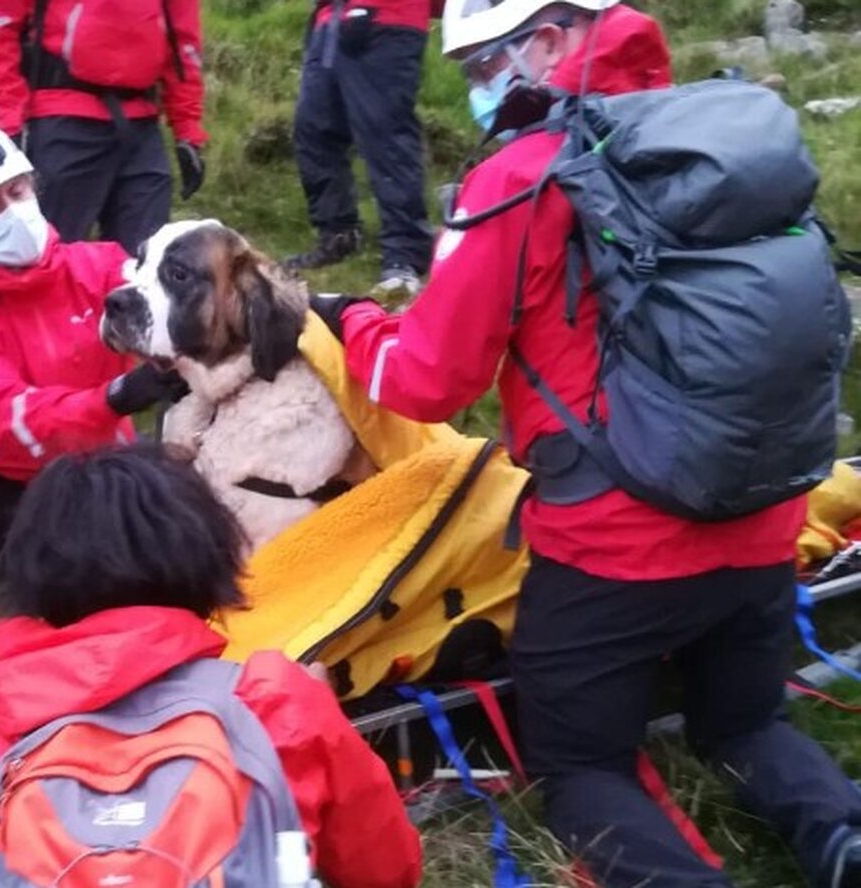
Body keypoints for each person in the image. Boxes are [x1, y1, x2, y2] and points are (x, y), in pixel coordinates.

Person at [313, 2, 861, 886]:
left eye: (486, 62)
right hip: (765, 511)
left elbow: (426, 382)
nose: (477, 88)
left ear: (550, 41)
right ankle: (841, 836)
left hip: (614, 551)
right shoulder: (715, 144)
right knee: (750, 725)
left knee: (578, 767)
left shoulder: (519, 177)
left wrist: (360, 321)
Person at [0, 443, 423, 888]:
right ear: (204, 557)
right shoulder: (274, 701)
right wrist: (324, 718)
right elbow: (389, 867)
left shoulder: (1, 727)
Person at [0, 116, 187, 769]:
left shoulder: (100, 267)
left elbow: (169, 317)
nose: (12, 211)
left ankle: (173, 689)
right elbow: (5, 417)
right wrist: (111, 400)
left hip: (99, 478)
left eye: (18, 191)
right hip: (5, 496)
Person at [0, 0, 207, 254]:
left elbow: (183, 42)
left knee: (142, 264)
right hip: (62, 117)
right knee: (48, 259)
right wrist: (10, 124)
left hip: (141, 127)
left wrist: (188, 130)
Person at [283, 0, 437, 296]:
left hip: (389, 20)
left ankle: (404, 256)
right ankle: (338, 234)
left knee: (386, 138)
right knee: (314, 130)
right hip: (331, 19)